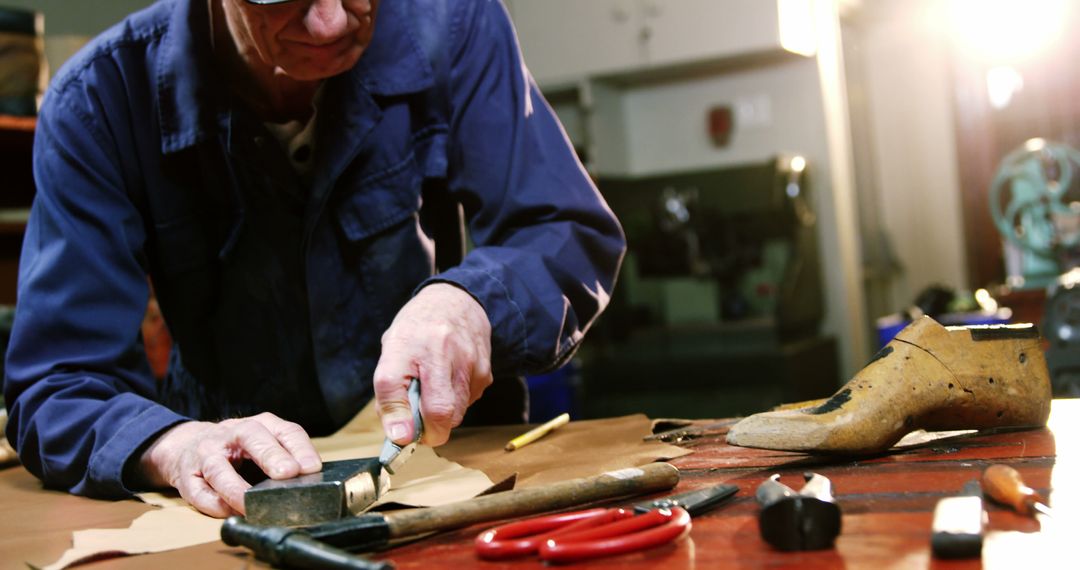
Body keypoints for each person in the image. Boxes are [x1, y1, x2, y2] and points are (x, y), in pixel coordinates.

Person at [3, 0, 624, 518]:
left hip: (454, 479)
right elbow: (57, 383)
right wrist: (172, 444)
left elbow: (563, 228)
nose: (329, 23)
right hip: (240, 505)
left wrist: (471, 303)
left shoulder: (455, 23)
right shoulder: (101, 102)